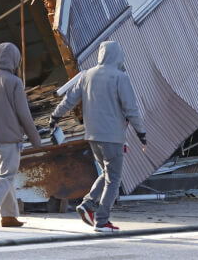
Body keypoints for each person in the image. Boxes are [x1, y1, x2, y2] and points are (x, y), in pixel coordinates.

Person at [49, 41, 146, 233]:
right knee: (114, 179)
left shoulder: (87, 75)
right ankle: (102, 221)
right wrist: (141, 133)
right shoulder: (120, 77)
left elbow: (70, 99)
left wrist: (55, 116)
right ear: (118, 56)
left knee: (107, 174)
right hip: (113, 137)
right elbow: (131, 109)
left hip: (93, 136)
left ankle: (87, 204)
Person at [0, 42, 42, 231]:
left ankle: (9, 216)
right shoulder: (14, 82)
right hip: (9, 138)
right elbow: (24, 114)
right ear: (15, 59)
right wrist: (36, 140)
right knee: (6, 177)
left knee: (3, 177)